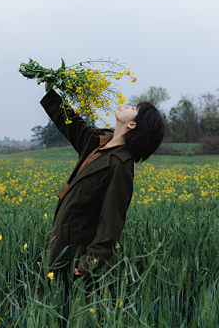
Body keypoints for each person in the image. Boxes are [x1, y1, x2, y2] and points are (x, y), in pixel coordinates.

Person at [39, 78, 165, 301]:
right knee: (47, 304)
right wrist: (51, 90)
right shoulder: (98, 141)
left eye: (134, 109)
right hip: (60, 239)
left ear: (133, 125)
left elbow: (112, 220)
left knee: (65, 308)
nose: (128, 106)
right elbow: (71, 123)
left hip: (76, 253)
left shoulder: (121, 165)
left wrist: (90, 261)